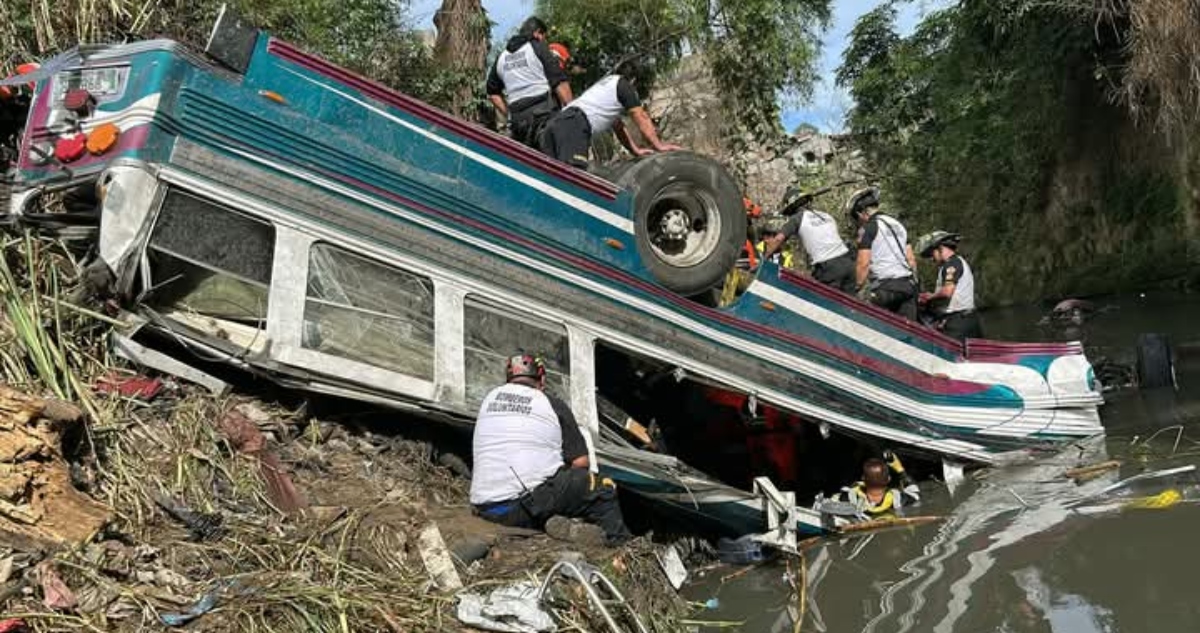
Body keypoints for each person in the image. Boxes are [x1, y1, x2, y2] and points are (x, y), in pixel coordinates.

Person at [470, 353, 632, 544]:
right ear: (542, 379)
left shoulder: (489, 399)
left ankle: (559, 526)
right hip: (520, 507)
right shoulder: (551, 403)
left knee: (545, 485)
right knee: (602, 488)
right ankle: (619, 546)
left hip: (484, 507)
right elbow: (581, 462)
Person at [540, 59, 681, 169]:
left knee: (554, 181)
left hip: (555, 124)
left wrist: (635, 150)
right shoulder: (624, 85)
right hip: (572, 126)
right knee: (572, 182)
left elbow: (618, 126)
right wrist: (658, 146)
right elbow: (641, 117)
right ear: (634, 80)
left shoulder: (607, 85)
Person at [485, 17, 574, 149]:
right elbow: (559, 83)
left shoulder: (502, 57)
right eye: (544, 37)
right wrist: (573, 114)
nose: (545, 41)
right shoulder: (538, 47)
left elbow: (492, 93)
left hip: (518, 125)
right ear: (538, 33)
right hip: (544, 119)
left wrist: (509, 113)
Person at [760, 186, 856, 292]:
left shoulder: (796, 219)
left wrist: (763, 261)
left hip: (828, 268)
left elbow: (778, 240)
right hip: (849, 263)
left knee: (822, 303)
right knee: (848, 305)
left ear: (792, 208)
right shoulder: (827, 216)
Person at [846, 187, 919, 320]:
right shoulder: (898, 225)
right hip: (908, 287)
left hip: (886, 289)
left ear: (861, 213)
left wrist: (855, 288)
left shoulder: (869, 228)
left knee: (868, 324)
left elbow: (863, 264)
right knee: (906, 335)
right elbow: (911, 260)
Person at [917, 230, 983, 341]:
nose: (931, 259)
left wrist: (930, 297)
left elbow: (947, 291)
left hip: (958, 322)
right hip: (969, 318)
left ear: (940, 248)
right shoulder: (958, 262)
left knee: (946, 356)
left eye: (931, 254)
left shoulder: (951, 264)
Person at [842, 451, 920, 518]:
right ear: (889, 479)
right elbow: (915, 494)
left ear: (863, 478)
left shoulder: (849, 495)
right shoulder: (896, 498)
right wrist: (900, 469)